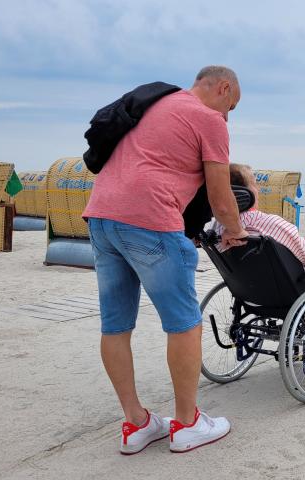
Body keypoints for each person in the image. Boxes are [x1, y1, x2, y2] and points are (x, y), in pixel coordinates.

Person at [82, 66, 248, 455]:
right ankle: (187, 424)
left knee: (115, 325)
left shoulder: (156, 103)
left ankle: (136, 423)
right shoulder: (209, 120)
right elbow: (221, 198)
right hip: (151, 221)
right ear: (223, 88)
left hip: (101, 216)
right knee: (185, 324)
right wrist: (236, 231)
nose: (227, 117)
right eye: (231, 107)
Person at [215, 163, 305, 274]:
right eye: (254, 184)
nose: (258, 189)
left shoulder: (219, 228)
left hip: (250, 285)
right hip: (293, 282)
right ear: (244, 192)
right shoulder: (267, 223)